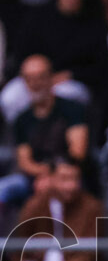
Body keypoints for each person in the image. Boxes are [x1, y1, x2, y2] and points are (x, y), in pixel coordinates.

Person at [2, 0, 108, 124]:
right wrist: (36, 75)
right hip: (34, 78)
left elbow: (101, 66)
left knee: (70, 96)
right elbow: (20, 55)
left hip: (69, 82)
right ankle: (22, 142)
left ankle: (59, 146)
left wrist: (71, 74)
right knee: (10, 97)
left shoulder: (94, 22)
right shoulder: (38, 17)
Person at [4, 156, 102, 261]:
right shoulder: (34, 205)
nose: (71, 185)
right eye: (64, 179)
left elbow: (88, 257)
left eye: (75, 179)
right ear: (52, 178)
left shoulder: (91, 208)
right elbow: (17, 247)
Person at [0, 56, 89, 213]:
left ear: (51, 77)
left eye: (40, 77)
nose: (35, 83)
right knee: (3, 189)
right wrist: (43, 175)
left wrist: (54, 177)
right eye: (29, 78)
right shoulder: (22, 119)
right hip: (34, 179)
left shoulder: (72, 110)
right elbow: (24, 161)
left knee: (59, 186)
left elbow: (78, 152)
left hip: (70, 173)